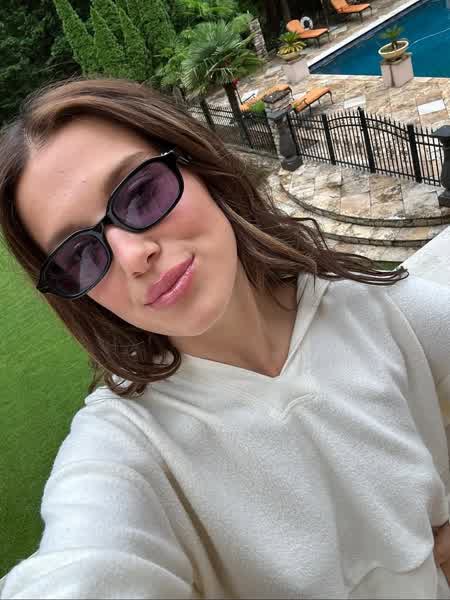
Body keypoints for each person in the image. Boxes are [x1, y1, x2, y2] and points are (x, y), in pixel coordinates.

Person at [1, 76, 450, 599]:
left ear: (200, 167)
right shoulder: (129, 448)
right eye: (79, 254)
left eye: (141, 193)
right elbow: (83, 570)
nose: (132, 256)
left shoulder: (371, 308)